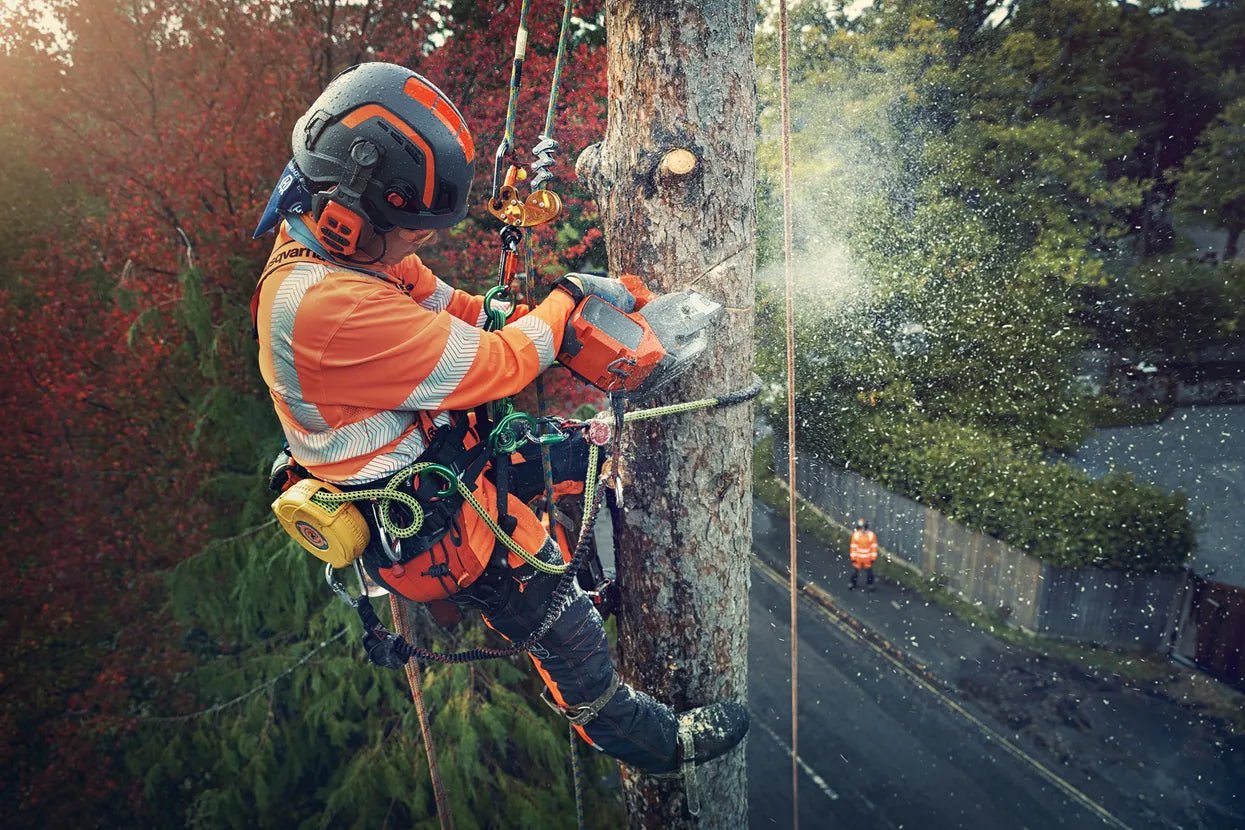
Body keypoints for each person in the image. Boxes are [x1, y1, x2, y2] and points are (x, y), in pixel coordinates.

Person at [249, 62, 747, 775]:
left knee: (575, 460)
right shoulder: (324, 307)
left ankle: (599, 580)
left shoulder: (351, 254)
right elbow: (495, 367)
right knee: (556, 621)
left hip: (446, 461)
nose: (417, 245)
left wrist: (544, 318)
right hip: (429, 523)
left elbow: (455, 313)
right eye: (409, 233)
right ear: (349, 216)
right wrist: (568, 299)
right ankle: (647, 740)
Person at [849, 517, 878, 591]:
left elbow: (874, 547)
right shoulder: (856, 535)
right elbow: (853, 547)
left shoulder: (870, 535)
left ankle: (869, 584)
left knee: (869, 573)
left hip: (866, 559)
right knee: (855, 573)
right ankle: (853, 583)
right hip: (859, 558)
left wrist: (873, 558)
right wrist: (853, 558)